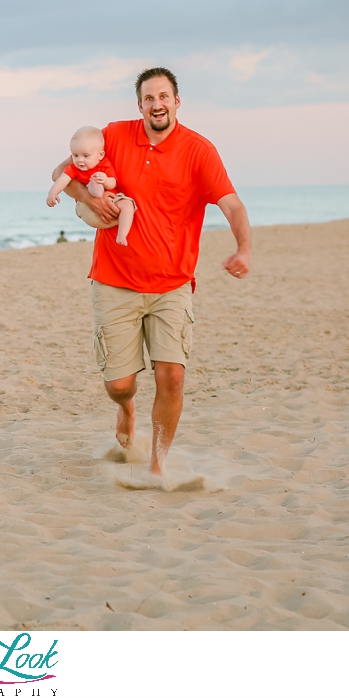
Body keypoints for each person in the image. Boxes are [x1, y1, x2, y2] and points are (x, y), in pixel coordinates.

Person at [53, 67, 251, 476]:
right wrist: (90, 203)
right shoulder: (113, 135)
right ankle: (126, 409)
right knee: (119, 384)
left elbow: (231, 204)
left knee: (172, 376)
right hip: (113, 279)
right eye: (148, 98)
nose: (156, 104)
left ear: (177, 101)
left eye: (164, 96)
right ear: (139, 104)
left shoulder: (199, 150)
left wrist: (243, 249)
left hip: (172, 284)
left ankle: (158, 464)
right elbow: (64, 174)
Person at [47, 126, 137, 246]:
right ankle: (92, 187)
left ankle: (121, 235)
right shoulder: (74, 168)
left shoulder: (104, 165)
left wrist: (105, 180)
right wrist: (53, 193)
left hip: (110, 199)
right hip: (86, 206)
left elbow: (113, 182)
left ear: (100, 155)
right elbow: (62, 179)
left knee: (128, 204)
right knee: (91, 190)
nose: (80, 160)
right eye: (75, 155)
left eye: (86, 156)